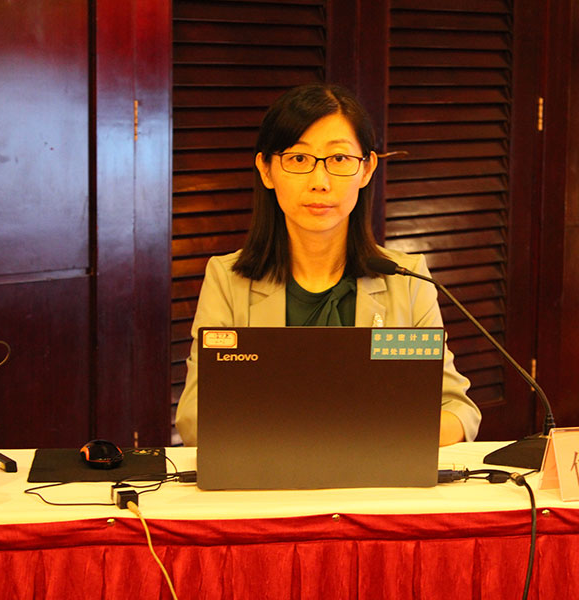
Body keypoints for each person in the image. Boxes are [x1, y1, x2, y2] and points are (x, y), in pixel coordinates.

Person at [175, 83, 481, 446]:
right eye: (298, 159)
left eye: (338, 159)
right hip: (267, 478)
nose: (320, 182)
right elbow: (196, 418)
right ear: (266, 170)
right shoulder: (228, 280)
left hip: (374, 477)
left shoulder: (407, 279)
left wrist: (352, 440)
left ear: (366, 169)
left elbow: (458, 411)